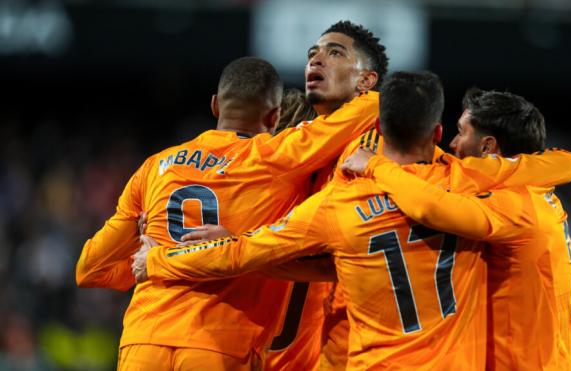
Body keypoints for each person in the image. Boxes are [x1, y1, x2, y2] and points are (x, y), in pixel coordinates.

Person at [133, 72, 571, 369]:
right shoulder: (465, 181)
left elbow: (240, 254)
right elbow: (564, 166)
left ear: (379, 129)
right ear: (438, 134)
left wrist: (160, 260)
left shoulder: (338, 203)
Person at [75, 54, 381, 370]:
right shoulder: (272, 158)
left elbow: (90, 269)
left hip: (144, 339)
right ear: (275, 117)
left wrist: (147, 256)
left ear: (215, 106)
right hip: (220, 344)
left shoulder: (154, 167)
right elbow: (372, 107)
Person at [342, 88, 571, 370]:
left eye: (461, 131)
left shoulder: (512, 205)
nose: (453, 143)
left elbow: (430, 208)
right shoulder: (537, 188)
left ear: (487, 147)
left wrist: (375, 166)